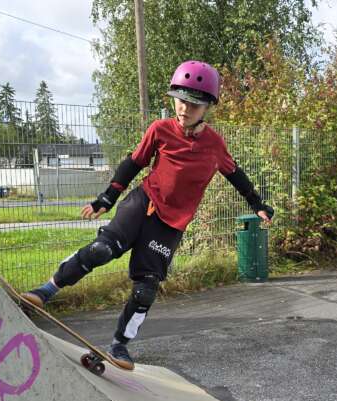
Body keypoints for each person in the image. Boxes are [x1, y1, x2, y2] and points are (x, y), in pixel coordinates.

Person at [22, 60, 274, 370]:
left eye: (194, 104)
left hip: (171, 224)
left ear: (208, 106)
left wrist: (257, 204)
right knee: (103, 250)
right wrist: (107, 197)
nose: (185, 109)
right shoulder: (160, 129)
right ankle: (45, 291)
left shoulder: (214, 144)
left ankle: (119, 345)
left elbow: (236, 175)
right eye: (181, 101)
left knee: (146, 288)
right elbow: (133, 163)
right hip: (143, 203)